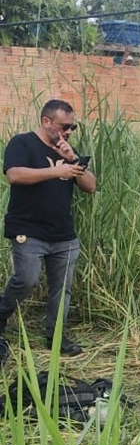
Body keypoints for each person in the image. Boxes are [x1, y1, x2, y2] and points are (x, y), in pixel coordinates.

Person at [0, 99, 97, 356]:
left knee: (62, 288)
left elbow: (90, 186)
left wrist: (73, 159)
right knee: (27, 280)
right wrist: (57, 171)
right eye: (64, 126)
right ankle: (1, 315)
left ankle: (56, 338)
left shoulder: (67, 152)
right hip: (28, 230)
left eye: (72, 128)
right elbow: (14, 175)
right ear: (46, 121)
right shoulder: (22, 143)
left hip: (63, 234)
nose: (68, 132)